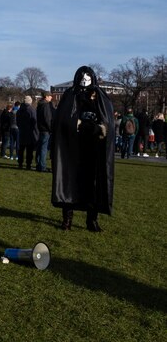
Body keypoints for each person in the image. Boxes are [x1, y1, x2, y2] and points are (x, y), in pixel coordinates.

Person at [51, 66, 115, 232]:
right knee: (69, 182)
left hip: (93, 148)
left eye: (88, 77)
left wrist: (100, 128)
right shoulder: (70, 95)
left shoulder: (100, 96)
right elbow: (62, 120)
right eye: (82, 77)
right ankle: (67, 219)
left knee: (93, 184)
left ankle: (91, 220)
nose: (84, 80)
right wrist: (77, 125)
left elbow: (107, 120)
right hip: (73, 147)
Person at [16, 95, 38, 170]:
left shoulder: (19, 110)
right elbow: (34, 121)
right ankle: (28, 164)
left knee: (21, 149)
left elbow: (17, 121)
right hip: (30, 132)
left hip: (22, 131)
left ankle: (20, 163)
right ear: (30, 101)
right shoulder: (31, 109)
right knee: (29, 150)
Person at [35, 91, 55, 172]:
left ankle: (38, 164)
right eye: (50, 96)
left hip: (41, 129)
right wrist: (51, 129)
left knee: (40, 148)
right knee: (44, 148)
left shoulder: (40, 105)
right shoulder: (46, 105)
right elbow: (47, 119)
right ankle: (42, 166)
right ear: (46, 96)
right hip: (46, 130)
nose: (51, 97)